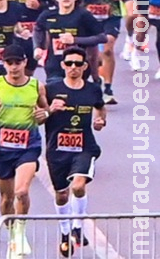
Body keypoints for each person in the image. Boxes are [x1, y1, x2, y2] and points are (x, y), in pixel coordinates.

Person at [0, 45, 49, 258]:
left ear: (25, 62)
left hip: (28, 146)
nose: (14, 67)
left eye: (17, 63)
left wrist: (44, 114)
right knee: (6, 198)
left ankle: (20, 233)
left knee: (21, 191)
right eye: (9, 63)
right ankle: (13, 233)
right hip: (2, 148)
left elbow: (46, 110)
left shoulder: (36, 86)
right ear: (3, 64)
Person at [45, 47, 107, 257]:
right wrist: (50, 110)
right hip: (57, 149)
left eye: (78, 64)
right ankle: (65, 232)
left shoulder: (92, 89)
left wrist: (100, 120)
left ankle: (78, 227)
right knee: (62, 194)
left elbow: (100, 107)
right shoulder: (50, 89)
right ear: (62, 65)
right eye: (69, 63)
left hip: (84, 147)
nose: (73, 68)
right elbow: (37, 116)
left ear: (84, 66)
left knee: (78, 186)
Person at [61, 0, 127, 104]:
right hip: (86, 17)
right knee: (91, 55)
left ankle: (108, 87)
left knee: (107, 48)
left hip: (110, 15)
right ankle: (94, 81)